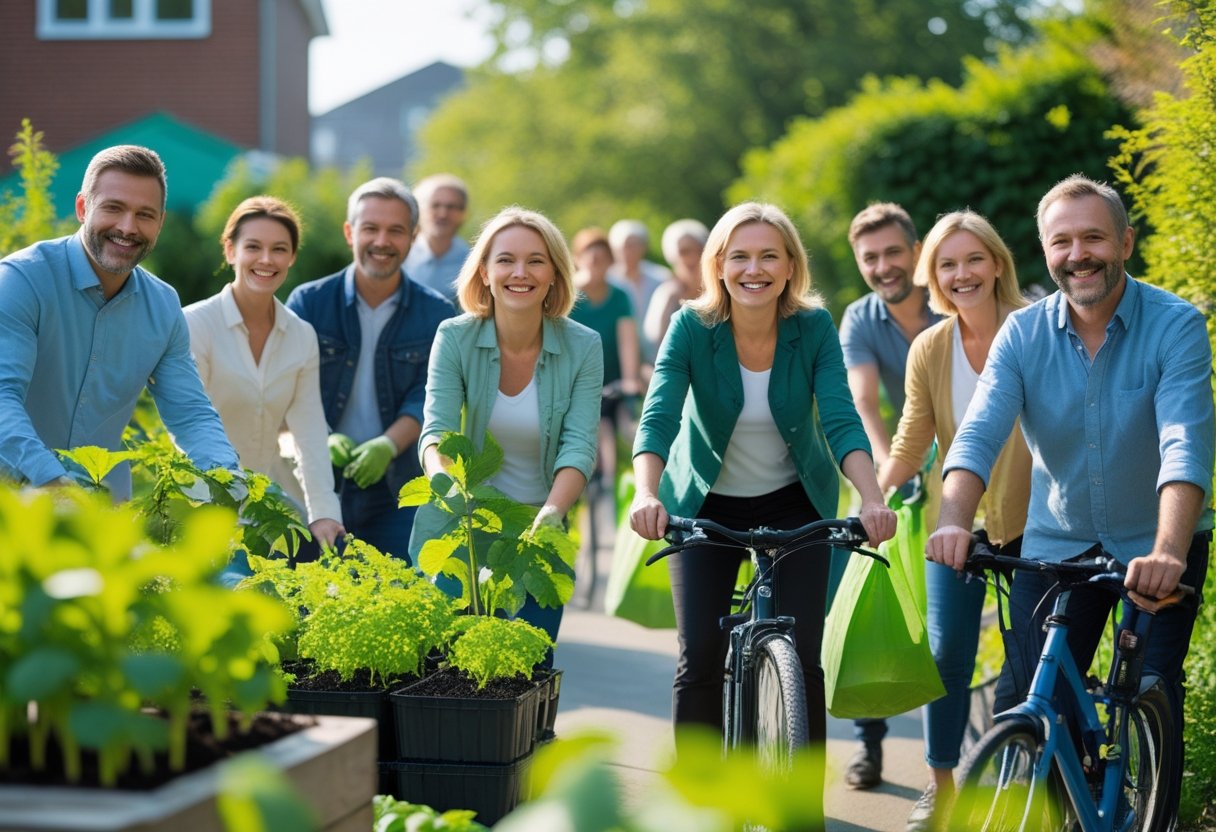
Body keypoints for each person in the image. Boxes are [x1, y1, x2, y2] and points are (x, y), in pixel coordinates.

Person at [927, 175, 1214, 820]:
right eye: (1062, 242)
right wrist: (954, 520)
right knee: (1034, 704)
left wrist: (1169, 550)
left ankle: (1157, 811)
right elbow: (978, 434)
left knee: (1150, 689)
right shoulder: (1022, 334)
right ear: (1045, 251)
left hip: (1157, 544)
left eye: (1093, 238)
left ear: (1125, 243)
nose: (1078, 254)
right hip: (1057, 545)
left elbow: (1185, 444)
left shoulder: (1175, 325)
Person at [629, 202, 896, 830]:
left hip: (794, 498)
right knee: (700, 655)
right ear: (718, 265)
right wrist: (647, 492)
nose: (755, 269)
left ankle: (801, 814)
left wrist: (871, 497)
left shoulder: (813, 327)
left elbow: (840, 416)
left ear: (790, 266)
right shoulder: (692, 326)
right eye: (740, 256)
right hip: (704, 501)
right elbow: (659, 413)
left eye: (769, 255)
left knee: (803, 657)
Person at [875, 211, 1032, 831]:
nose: (961, 274)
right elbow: (913, 438)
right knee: (946, 654)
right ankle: (941, 785)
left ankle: (1020, 780)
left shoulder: (1033, 328)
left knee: (1029, 656)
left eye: (973, 259)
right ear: (932, 276)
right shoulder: (931, 347)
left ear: (997, 264)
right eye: (947, 264)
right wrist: (874, 496)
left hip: (1034, 519)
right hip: (955, 522)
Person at [412, 206, 602, 651]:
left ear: (554, 273)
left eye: (536, 261)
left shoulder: (583, 345)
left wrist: (551, 514)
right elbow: (436, 432)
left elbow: (579, 446)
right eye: (505, 260)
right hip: (465, 527)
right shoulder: (454, 337)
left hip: (541, 528)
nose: (520, 273)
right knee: (455, 667)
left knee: (531, 667)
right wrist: (449, 488)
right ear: (484, 271)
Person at [0, 144, 237, 498]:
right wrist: (53, 483)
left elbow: (190, 414)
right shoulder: (22, 281)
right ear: (83, 208)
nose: (128, 228)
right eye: (113, 208)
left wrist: (232, 483)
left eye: (145, 214)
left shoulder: (163, 305)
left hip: (104, 514)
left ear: (160, 223)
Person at [286, 177, 454, 560]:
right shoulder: (309, 303)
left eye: (396, 230)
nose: (382, 241)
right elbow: (287, 386)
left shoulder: (437, 314)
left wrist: (388, 444)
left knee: (398, 589)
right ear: (350, 233)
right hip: (315, 481)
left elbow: (430, 395)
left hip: (398, 489)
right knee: (308, 590)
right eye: (370, 228)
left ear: (413, 237)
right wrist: (322, 437)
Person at [835, 202, 944, 789]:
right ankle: (868, 743)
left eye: (893, 252)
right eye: (870, 258)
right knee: (871, 593)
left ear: (917, 251)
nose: (883, 267)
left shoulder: (949, 298)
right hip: (894, 466)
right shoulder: (860, 318)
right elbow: (863, 400)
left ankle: (949, 756)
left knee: (946, 608)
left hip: (959, 466)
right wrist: (883, 474)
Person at [184, 196, 345, 558]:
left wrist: (323, 512)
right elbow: (190, 425)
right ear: (230, 251)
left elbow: (309, 432)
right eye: (253, 247)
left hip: (271, 510)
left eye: (279, 249)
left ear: (292, 257)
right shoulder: (195, 325)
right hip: (203, 505)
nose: (267, 259)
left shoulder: (301, 335)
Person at [568, 227, 642, 487]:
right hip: (576, 379)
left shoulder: (619, 295)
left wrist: (630, 379)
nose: (596, 263)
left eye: (602, 258)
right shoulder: (569, 295)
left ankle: (617, 481)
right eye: (590, 257)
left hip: (612, 378)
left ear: (611, 261)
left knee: (626, 433)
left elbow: (627, 340)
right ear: (577, 259)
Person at [642, 218, 709, 354]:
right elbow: (654, 342)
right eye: (684, 252)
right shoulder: (667, 294)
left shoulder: (718, 291)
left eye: (697, 250)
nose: (692, 258)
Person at [608, 218, 670, 361]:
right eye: (624, 246)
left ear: (643, 247)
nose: (628, 251)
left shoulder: (661, 277)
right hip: (616, 352)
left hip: (656, 351)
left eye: (634, 245)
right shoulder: (608, 280)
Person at [404, 173, 469, 302]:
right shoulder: (400, 256)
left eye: (451, 207)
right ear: (418, 210)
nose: (443, 214)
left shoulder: (473, 261)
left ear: (463, 213)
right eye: (435, 205)